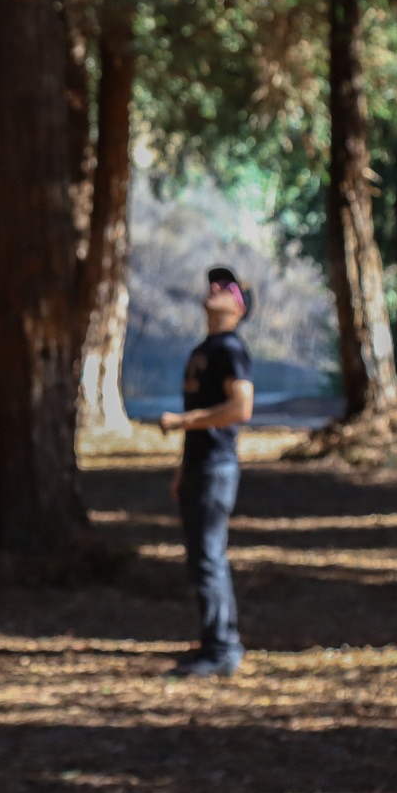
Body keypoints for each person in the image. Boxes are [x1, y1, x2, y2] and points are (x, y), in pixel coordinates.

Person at [158, 266, 255, 677]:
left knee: (209, 557)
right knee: (202, 558)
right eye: (213, 284)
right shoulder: (205, 348)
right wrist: (183, 467)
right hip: (199, 465)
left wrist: (184, 421)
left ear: (238, 305)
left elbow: (241, 407)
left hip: (217, 467)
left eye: (225, 287)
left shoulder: (231, 348)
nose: (213, 289)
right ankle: (218, 643)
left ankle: (221, 650)